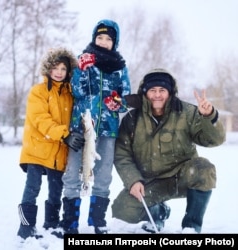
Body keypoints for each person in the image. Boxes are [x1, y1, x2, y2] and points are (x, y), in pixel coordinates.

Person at [111, 68, 226, 233]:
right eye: (153, 90)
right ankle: (158, 212)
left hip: (182, 177)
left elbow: (214, 140)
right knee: (122, 212)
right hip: (150, 182)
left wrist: (209, 116)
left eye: (162, 90)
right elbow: (122, 155)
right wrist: (133, 180)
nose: (157, 95)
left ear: (170, 93)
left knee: (203, 169)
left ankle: (191, 226)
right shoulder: (131, 118)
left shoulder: (187, 113)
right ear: (145, 93)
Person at [60, 19, 131, 235]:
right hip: (81, 128)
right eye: (99, 37)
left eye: (108, 38)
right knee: (72, 172)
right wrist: (81, 70)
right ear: (94, 39)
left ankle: (97, 220)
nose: (103, 41)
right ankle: (70, 222)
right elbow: (76, 91)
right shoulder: (84, 60)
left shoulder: (120, 67)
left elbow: (125, 99)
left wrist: (116, 103)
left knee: (103, 175)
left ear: (114, 42)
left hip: (108, 130)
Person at [17, 47, 85, 240]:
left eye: (63, 69)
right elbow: (40, 119)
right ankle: (26, 227)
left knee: (56, 190)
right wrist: (64, 134)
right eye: (55, 67)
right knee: (33, 188)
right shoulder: (38, 92)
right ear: (48, 68)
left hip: (59, 151)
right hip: (37, 149)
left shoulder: (70, 94)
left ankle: (51, 223)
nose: (59, 72)